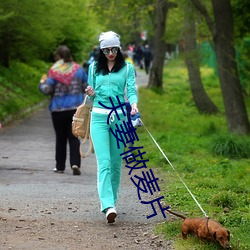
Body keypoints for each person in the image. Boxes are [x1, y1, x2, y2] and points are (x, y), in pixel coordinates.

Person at [85, 31, 138, 223]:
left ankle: (113, 201)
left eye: (114, 49)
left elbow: (131, 90)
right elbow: (91, 97)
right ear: (101, 50)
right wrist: (90, 92)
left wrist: (133, 104)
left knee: (116, 164)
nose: (110, 53)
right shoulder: (93, 68)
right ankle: (107, 205)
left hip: (120, 119)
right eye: (106, 50)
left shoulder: (127, 68)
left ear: (119, 48)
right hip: (98, 118)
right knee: (104, 162)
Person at [39, 45, 88, 175]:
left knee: (60, 138)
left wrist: (42, 83)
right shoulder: (79, 70)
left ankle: (60, 166)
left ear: (58, 57)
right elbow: (86, 87)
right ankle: (75, 163)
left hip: (58, 109)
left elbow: (47, 90)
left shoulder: (54, 71)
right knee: (74, 137)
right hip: (75, 109)